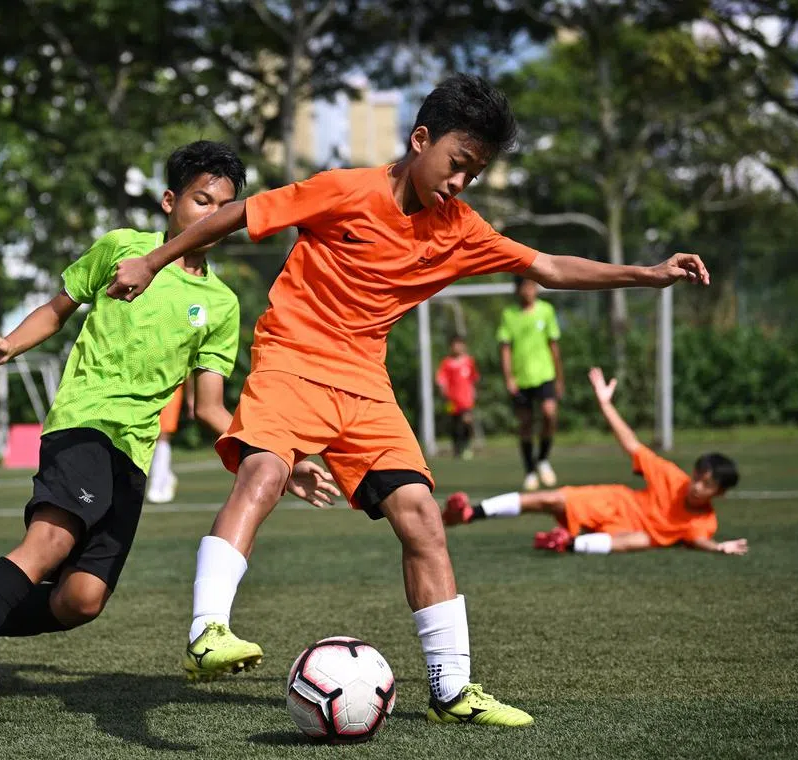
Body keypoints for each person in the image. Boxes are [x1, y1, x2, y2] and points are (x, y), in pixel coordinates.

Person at [106, 74, 710, 728]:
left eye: (475, 173)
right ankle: (207, 632)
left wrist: (648, 274)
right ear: (420, 139)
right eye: (456, 163)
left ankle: (452, 692)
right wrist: (155, 260)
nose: (460, 182)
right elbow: (238, 213)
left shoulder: (461, 229)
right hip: (293, 354)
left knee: (422, 514)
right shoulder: (344, 189)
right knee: (265, 470)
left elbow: (548, 267)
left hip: (364, 381)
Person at [0, 141, 337, 729]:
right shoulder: (124, 250)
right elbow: (57, 308)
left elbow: (210, 406)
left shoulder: (221, 304)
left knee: (82, 601)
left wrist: (283, 453)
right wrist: (8, 344)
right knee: (47, 544)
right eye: (201, 200)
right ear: (169, 200)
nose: (211, 216)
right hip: (83, 422)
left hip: (134, 452)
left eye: (224, 207)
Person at [443, 367, 745, 556]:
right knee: (551, 498)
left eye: (707, 484)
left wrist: (719, 547)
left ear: (719, 493)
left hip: (632, 532)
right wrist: (605, 404)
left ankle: (566, 543)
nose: (697, 486)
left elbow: (698, 540)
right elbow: (630, 442)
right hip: (617, 502)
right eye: (698, 477)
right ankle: (471, 513)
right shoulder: (672, 477)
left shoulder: (706, 521)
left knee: (642, 541)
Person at [499, 276, 562, 491]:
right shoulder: (509, 315)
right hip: (521, 378)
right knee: (525, 423)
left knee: (549, 414)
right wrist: (509, 378)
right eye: (524, 286)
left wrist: (559, 378)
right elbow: (505, 349)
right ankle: (529, 471)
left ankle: (543, 459)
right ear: (517, 289)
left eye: (532, 286)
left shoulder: (546, 311)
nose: (529, 290)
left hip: (545, 375)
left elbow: (553, 345)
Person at [146, 377, 194, 504]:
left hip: (171, 391)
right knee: (149, 435)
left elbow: (188, 372)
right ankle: (166, 476)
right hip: (147, 390)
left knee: (163, 434)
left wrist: (190, 398)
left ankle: (157, 484)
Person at [436, 335, 480, 459]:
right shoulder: (447, 363)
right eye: (455, 344)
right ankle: (457, 448)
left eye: (460, 344)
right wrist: (442, 389)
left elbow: (474, 379)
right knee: (455, 424)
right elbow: (441, 379)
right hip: (452, 400)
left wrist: (474, 391)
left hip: (466, 399)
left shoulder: (469, 362)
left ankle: (466, 446)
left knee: (467, 421)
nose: (458, 347)